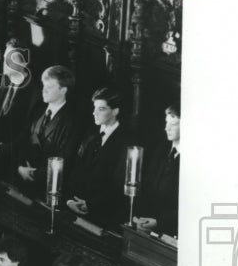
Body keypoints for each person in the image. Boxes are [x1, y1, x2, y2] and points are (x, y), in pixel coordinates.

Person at [66, 88, 134, 228]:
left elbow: (118, 185)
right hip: (75, 207)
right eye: (95, 108)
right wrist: (70, 200)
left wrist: (90, 205)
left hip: (102, 216)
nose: (94, 113)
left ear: (115, 111)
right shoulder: (91, 134)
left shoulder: (127, 142)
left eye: (101, 109)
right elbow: (76, 169)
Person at [16, 65, 82, 194]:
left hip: (48, 187)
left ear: (63, 90)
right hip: (22, 178)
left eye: (49, 87)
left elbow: (65, 158)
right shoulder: (38, 110)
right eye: (43, 85)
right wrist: (20, 167)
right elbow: (23, 139)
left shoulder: (72, 121)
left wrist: (34, 174)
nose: (44, 90)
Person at [0, 38, 39, 179]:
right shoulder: (3, 81)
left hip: (14, 156)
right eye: (4, 58)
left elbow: (28, 130)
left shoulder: (35, 92)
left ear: (24, 63)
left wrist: (1, 149)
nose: (5, 63)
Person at [135, 104, 180, 237]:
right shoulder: (161, 151)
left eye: (173, 124)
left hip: (170, 234)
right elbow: (147, 186)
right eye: (167, 123)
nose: (166, 128)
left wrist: (159, 222)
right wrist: (139, 216)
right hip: (145, 226)